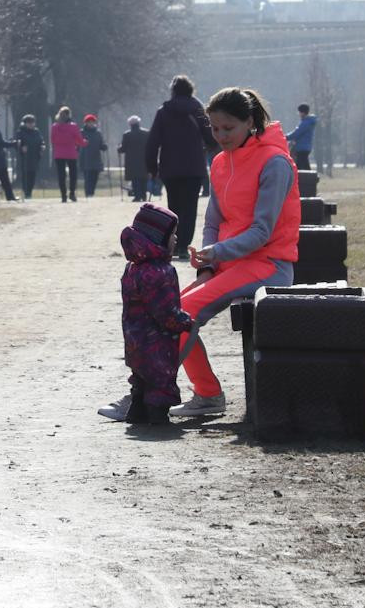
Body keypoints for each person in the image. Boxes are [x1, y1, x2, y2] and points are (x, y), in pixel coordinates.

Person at [170, 86, 300, 418]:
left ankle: (149, 392)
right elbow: (213, 220)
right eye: (214, 128)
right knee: (168, 310)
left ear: (250, 123)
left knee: (183, 311)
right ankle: (207, 395)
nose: (221, 135)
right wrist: (207, 266)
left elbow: (262, 232)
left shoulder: (275, 163)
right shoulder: (220, 162)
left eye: (229, 128)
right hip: (231, 265)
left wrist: (217, 252)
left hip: (269, 264)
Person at [99, 203, 194, 426]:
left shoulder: (133, 267)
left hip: (134, 339)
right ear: (158, 238)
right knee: (160, 380)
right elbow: (164, 312)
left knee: (141, 378)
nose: (176, 239)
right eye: (172, 235)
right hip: (156, 342)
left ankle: (137, 412)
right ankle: (158, 418)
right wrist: (184, 322)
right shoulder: (161, 272)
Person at [143, 75, 213, 257]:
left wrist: (152, 167)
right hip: (194, 167)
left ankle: (172, 242)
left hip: (170, 168)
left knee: (173, 206)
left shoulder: (163, 111)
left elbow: (153, 142)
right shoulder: (198, 109)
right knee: (190, 207)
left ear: (173, 91)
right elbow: (211, 137)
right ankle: (183, 245)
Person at [49, 106, 85, 203]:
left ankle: (63, 195)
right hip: (71, 153)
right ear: (69, 115)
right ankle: (72, 193)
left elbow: (52, 140)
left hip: (59, 154)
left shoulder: (54, 126)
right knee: (73, 174)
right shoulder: (73, 126)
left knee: (61, 175)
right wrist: (84, 142)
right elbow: (79, 140)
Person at [118, 116, 150, 201]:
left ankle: (137, 196)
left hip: (131, 160)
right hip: (144, 159)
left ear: (130, 124)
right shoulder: (146, 133)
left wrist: (119, 149)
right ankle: (144, 195)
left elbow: (123, 148)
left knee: (135, 178)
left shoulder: (127, 134)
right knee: (143, 178)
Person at [14, 114, 44, 199]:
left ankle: (29, 192)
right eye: (28, 122)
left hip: (34, 157)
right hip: (24, 158)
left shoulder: (36, 132)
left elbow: (41, 141)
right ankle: (26, 192)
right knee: (25, 176)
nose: (31, 124)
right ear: (24, 123)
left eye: (32, 122)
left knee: (32, 176)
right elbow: (17, 143)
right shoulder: (20, 132)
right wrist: (21, 148)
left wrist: (42, 146)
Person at [78, 114, 107, 198]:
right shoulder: (82, 132)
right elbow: (77, 143)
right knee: (87, 178)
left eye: (92, 122)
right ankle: (88, 193)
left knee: (94, 178)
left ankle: (92, 192)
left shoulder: (98, 133)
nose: (91, 124)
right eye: (89, 122)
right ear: (86, 123)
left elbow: (101, 144)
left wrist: (104, 146)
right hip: (85, 158)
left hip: (96, 158)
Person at [287, 103, 317, 170]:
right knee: (302, 167)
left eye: (299, 112)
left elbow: (296, 133)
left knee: (303, 168)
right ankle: (309, 179)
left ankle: (310, 179)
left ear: (303, 112)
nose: (299, 114)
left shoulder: (306, 123)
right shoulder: (307, 122)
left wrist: (285, 137)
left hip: (302, 148)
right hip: (304, 147)